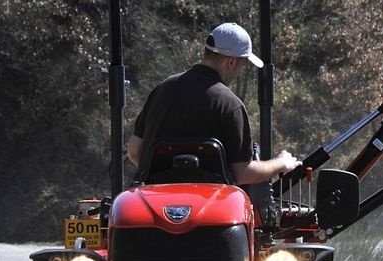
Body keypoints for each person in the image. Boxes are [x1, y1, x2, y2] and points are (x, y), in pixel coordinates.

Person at [126, 22, 300, 185]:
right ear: (231, 62)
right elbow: (241, 173)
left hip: (155, 201)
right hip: (209, 209)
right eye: (242, 65)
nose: (240, 71)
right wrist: (280, 163)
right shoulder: (230, 105)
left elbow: (134, 151)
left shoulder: (162, 89)